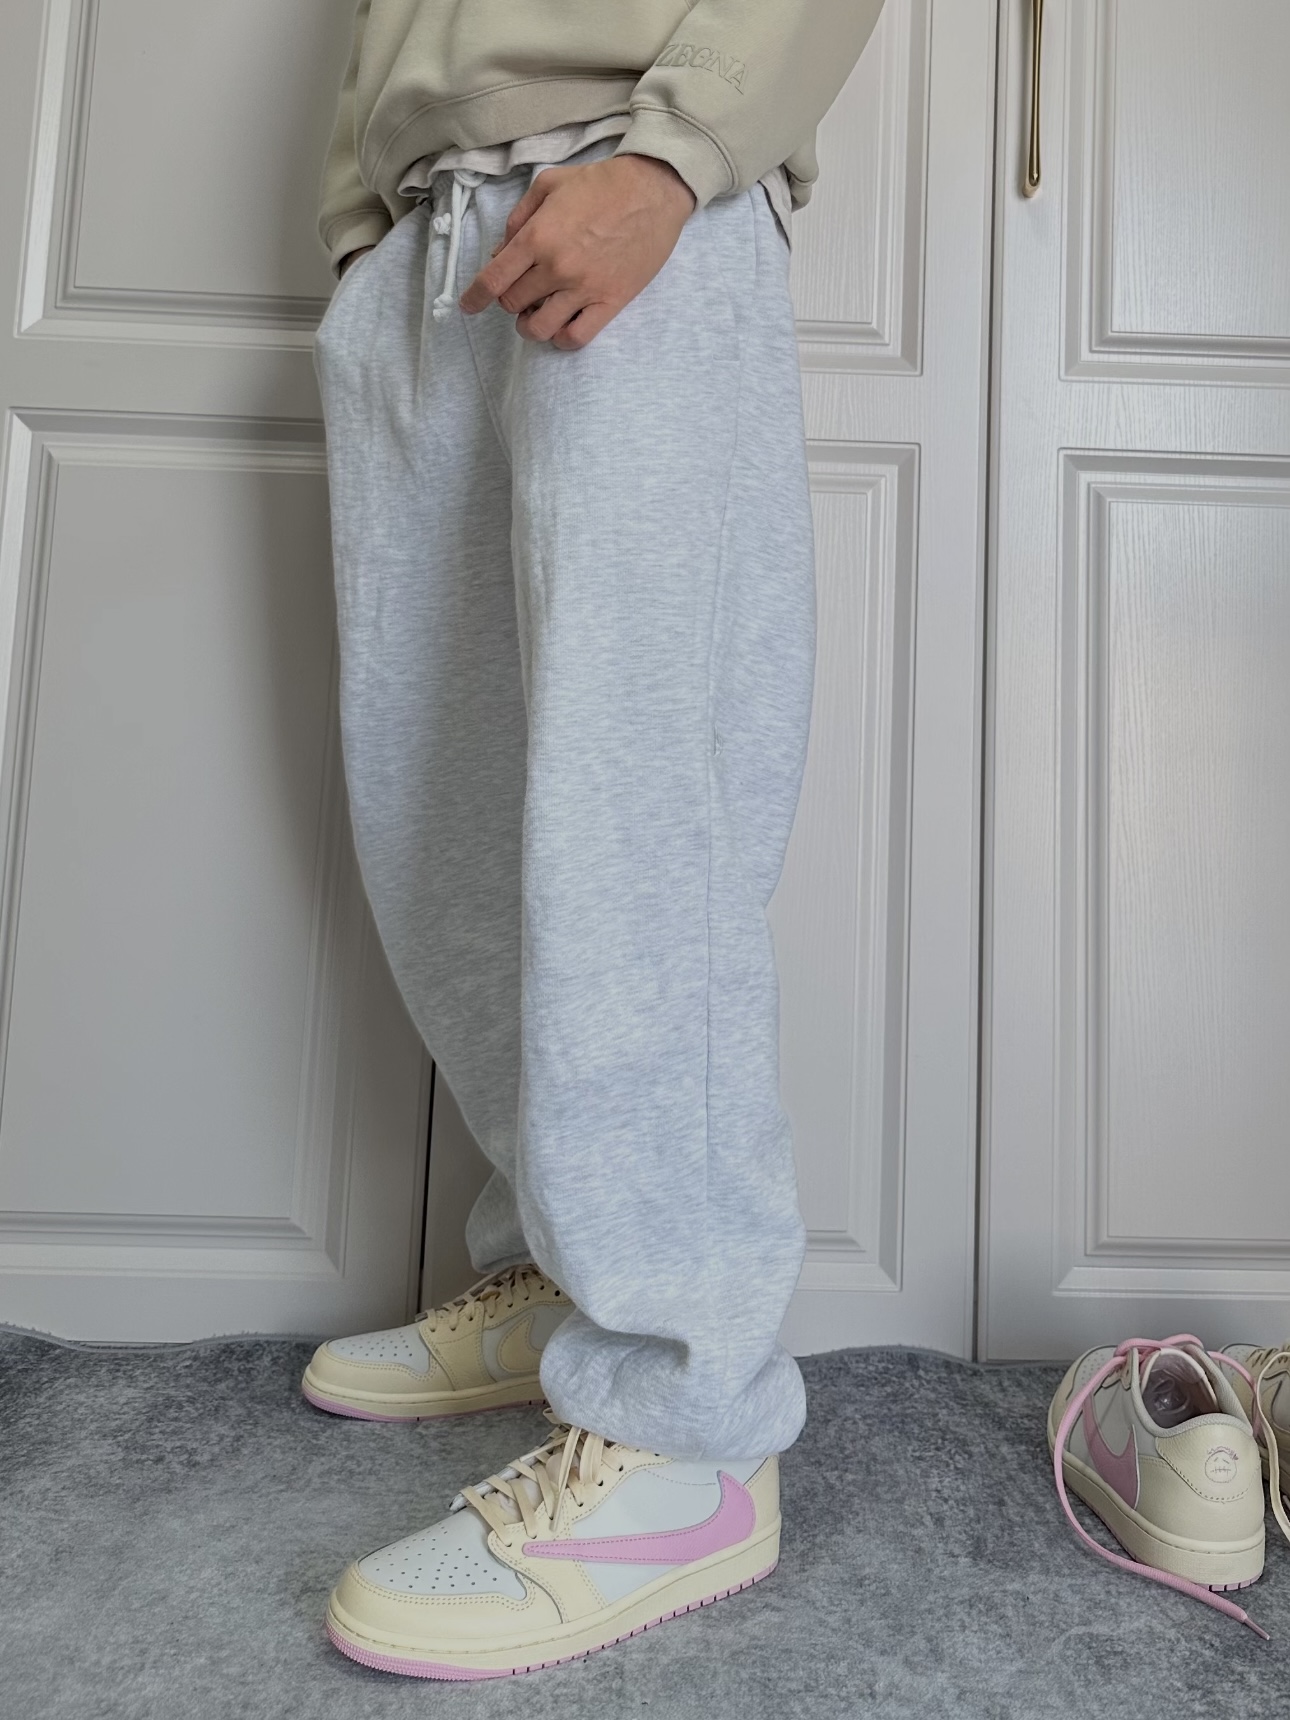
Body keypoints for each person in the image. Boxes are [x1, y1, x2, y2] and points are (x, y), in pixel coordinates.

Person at [306, 0, 885, 1680]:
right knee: (450, 826)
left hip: (624, 189)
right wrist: (362, 229)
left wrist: (676, 161)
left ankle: (685, 1429)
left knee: (631, 843)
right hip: (427, 234)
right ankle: (567, 1280)